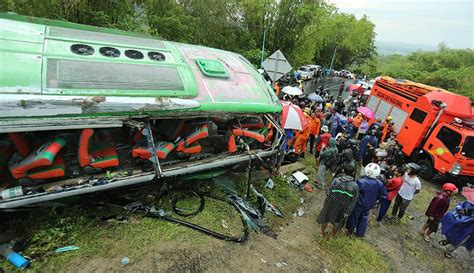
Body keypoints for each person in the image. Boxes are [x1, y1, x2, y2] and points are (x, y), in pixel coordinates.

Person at [317, 164, 359, 239]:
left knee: (326, 218)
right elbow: (353, 201)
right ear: (353, 173)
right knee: (337, 222)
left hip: (332, 202)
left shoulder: (337, 180)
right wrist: (347, 212)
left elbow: (329, 191)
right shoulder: (355, 186)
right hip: (343, 207)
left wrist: (328, 200)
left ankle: (321, 233)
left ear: (343, 171)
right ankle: (331, 236)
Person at [346, 163, 387, 237]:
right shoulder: (379, 184)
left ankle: (350, 230)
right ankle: (360, 234)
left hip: (359, 203)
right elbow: (384, 195)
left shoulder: (361, 181)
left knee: (354, 216)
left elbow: (354, 192)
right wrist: (377, 201)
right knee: (364, 218)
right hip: (370, 204)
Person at [439, 185, 474, 258]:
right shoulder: (469, 202)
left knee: (461, 237)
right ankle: (448, 244)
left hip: (467, 227)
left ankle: (449, 246)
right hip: (463, 224)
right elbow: (460, 206)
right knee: (458, 236)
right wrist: (462, 211)